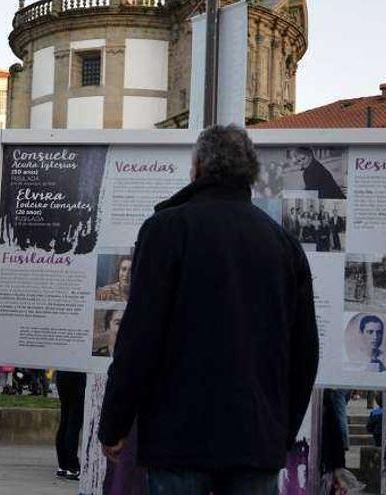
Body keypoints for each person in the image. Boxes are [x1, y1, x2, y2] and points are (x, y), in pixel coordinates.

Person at [98, 125, 319, 495]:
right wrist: (281, 431)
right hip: (256, 439)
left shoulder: (166, 230)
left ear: (197, 168)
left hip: (179, 437)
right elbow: (305, 352)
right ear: (250, 172)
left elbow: (139, 338)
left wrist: (114, 424)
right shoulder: (282, 244)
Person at [55, 370, 86, 481]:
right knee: (74, 422)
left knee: (65, 419)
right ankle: (72, 466)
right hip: (78, 374)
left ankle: (62, 465)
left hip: (62, 373)